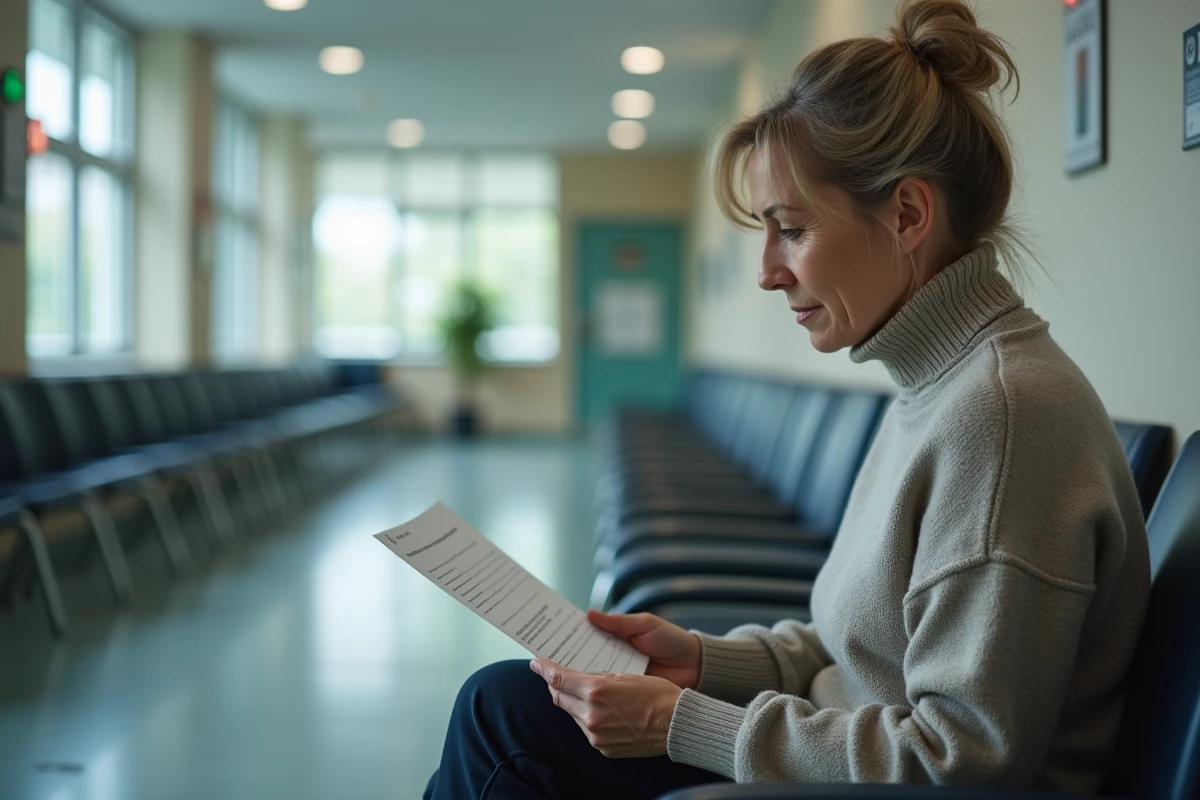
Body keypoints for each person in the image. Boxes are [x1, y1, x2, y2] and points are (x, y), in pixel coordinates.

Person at [423, 0, 1151, 796]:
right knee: (507, 703)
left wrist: (680, 722)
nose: (769, 270)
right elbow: (864, 651)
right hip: (836, 752)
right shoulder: (938, 388)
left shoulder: (1003, 418)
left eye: (792, 230)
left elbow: (962, 759)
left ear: (907, 214)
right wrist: (701, 660)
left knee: (505, 724)